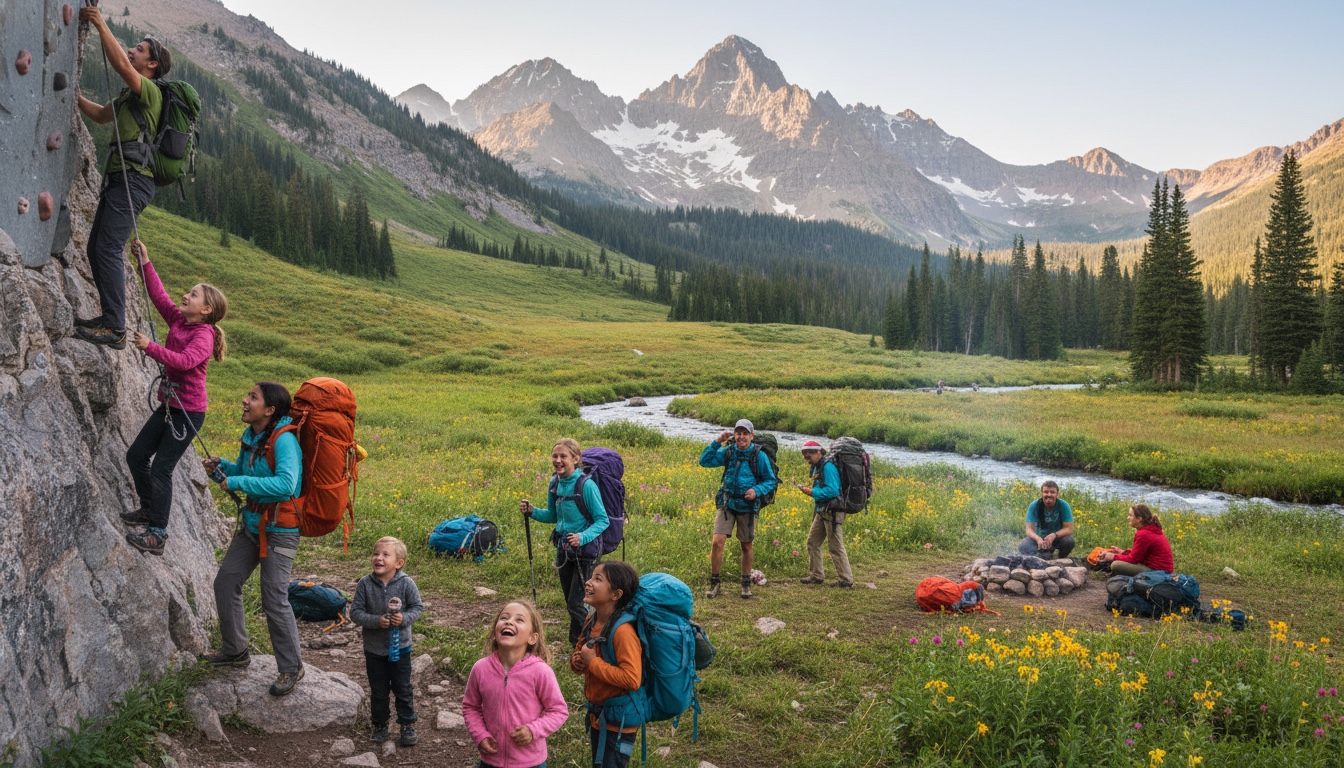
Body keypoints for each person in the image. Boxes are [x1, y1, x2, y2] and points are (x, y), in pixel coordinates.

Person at [74, 5, 172, 349]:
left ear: (151, 64)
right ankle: (108, 318)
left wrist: (100, 23)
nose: (132, 50)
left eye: (139, 49)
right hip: (122, 179)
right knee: (95, 246)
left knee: (109, 247)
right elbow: (102, 115)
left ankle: (115, 327)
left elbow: (121, 65)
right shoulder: (130, 96)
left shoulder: (150, 91)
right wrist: (73, 97)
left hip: (133, 181)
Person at [121, 239, 227, 555]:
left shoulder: (203, 335)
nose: (186, 295)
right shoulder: (181, 320)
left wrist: (150, 347)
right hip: (171, 405)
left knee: (162, 468)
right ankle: (149, 508)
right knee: (136, 455)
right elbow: (158, 295)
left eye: (193, 295)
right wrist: (145, 261)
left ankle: (157, 533)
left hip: (188, 412)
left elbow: (184, 361)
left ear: (206, 310)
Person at [204, 382, 306, 697]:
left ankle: (292, 668)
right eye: (247, 394)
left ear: (270, 410)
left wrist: (236, 480)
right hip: (252, 523)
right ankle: (235, 651)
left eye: (253, 397)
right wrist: (225, 468)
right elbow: (255, 472)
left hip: (280, 529)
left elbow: (286, 485)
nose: (244, 401)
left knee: (274, 599)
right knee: (226, 582)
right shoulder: (252, 437)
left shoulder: (285, 440)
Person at [519, 438, 609, 645]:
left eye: (563, 457)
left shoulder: (586, 485)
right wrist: (532, 511)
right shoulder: (555, 483)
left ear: (576, 459)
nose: (558, 460)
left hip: (585, 552)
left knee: (577, 603)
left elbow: (602, 520)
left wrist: (582, 537)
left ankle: (592, 643)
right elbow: (553, 515)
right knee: (571, 601)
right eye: (555, 456)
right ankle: (576, 641)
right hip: (564, 549)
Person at [463, 601, 568, 768]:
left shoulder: (540, 671)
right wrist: (480, 736)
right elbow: (470, 707)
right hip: (491, 760)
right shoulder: (480, 669)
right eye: (504, 617)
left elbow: (558, 710)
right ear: (495, 630)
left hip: (531, 762)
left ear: (532, 638)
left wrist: (533, 730)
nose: (509, 621)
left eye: (519, 620)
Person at [350, 536, 424, 747]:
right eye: (376, 553)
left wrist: (404, 619)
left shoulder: (406, 583)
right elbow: (355, 613)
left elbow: (417, 608)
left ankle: (407, 724)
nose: (378, 558)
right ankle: (380, 724)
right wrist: (376, 621)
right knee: (379, 689)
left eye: (385, 555)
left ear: (398, 563)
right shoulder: (365, 584)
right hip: (374, 650)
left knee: (403, 687)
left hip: (401, 648)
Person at [571, 562, 642, 768]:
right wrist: (578, 662)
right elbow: (579, 656)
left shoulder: (623, 632)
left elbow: (632, 679)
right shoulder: (591, 620)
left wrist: (592, 662)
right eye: (591, 577)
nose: (588, 582)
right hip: (600, 716)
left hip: (619, 724)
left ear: (616, 594)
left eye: (597, 579)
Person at [699, 419, 777, 599]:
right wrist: (717, 441)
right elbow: (705, 461)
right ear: (735, 435)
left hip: (747, 505)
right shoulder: (729, 451)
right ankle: (715, 583)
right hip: (726, 503)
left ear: (751, 436)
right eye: (738, 433)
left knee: (746, 544)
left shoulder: (759, 456)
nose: (741, 437)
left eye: (744, 433)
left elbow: (770, 480)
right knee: (717, 541)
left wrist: (756, 491)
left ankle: (745, 584)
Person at [796, 440, 853, 588]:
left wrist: (812, 492)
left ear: (819, 452)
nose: (807, 458)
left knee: (835, 546)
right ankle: (816, 575)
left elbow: (833, 491)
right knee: (812, 542)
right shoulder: (819, 466)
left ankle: (846, 580)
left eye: (809, 455)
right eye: (805, 456)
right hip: (823, 510)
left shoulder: (828, 467)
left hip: (833, 511)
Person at [1098, 504, 1174, 576]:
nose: (1128, 518)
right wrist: (1123, 552)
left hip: (1158, 572)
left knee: (1116, 565)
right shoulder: (1151, 529)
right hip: (1161, 569)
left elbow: (1134, 559)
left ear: (1139, 519)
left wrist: (1113, 557)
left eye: (1130, 515)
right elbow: (1140, 555)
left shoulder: (1144, 534)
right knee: (1117, 561)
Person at [1018, 480, 1075, 559]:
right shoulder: (1034, 505)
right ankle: (1039, 555)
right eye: (1046, 492)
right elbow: (1029, 529)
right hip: (1040, 538)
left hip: (1057, 538)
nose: (1049, 495)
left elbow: (1069, 529)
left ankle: (1062, 558)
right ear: (1041, 493)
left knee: (1069, 540)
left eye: (1052, 492)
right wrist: (1038, 539)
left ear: (1057, 494)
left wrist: (1054, 535)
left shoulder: (1063, 505)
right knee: (1023, 545)